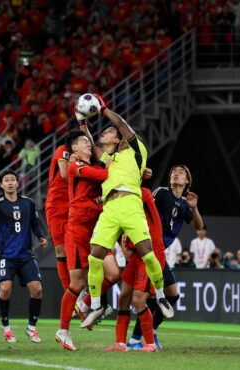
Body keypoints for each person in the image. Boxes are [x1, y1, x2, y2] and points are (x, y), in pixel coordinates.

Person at [80, 95, 174, 329]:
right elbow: (91, 147)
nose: (105, 133)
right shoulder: (108, 159)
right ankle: (95, 306)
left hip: (131, 204)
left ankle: (161, 296)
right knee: (94, 258)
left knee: (148, 254)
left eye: (109, 131)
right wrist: (83, 125)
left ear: (120, 137)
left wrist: (102, 110)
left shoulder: (136, 150)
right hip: (110, 208)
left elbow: (121, 123)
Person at [128, 164, 203, 350]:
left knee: (172, 295)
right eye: (173, 172)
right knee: (145, 297)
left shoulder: (185, 204)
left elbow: (198, 226)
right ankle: (136, 339)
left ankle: (148, 331)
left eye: (181, 172)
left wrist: (194, 208)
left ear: (187, 182)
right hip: (148, 250)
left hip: (160, 254)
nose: (176, 173)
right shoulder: (162, 192)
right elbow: (142, 207)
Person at [55, 130, 108, 351]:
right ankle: (63, 330)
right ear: (74, 149)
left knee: (112, 272)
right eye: (83, 141)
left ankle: (91, 306)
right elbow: (106, 176)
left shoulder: (94, 167)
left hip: (96, 230)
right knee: (76, 284)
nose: (88, 144)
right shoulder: (74, 166)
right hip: (78, 231)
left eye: (89, 141)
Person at [0, 170, 48, 344]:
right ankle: (6, 327)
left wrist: (41, 236)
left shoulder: (28, 203)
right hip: (7, 256)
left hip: (26, 255)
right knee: (5, 289)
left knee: (37, 290)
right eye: (6, 180)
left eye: (13, 180)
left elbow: (35, 222)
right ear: (1, 185)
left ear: (18, 183)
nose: (10, 182)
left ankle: (31, 328)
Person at [104, 187, 166, 352]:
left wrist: (106, 194)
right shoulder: (125, 203)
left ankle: (150, 344)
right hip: (137, 253)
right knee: (124, 296)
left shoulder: (142, 192)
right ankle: (120, 343)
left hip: (151, 253)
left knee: (138, 300)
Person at [45, 141, 70, 292]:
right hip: (57, 206)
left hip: (76, 205)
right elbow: (65, 174)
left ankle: (87, 295)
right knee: (61, 251)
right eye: (84, 140)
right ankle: (70, 293)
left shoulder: (88, 156)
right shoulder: (63, 149)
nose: (88, 143)